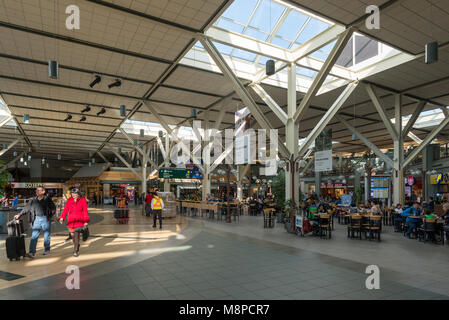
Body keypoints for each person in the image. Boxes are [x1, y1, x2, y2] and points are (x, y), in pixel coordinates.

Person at [14, 186, 56, 257]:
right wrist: (19, 214)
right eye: (36, 190)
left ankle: (47, 249)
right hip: (36, 219)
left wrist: (50, 215)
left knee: (46, 235)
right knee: (34, 235)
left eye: (39, 190)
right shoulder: (33, 200)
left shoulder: (47, 199)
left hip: (45, 218)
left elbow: (53, 208)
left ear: (43, 192)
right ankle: (32, 252)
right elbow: (26, 208)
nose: (37, 191)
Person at [59, 188, 90, 257]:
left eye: (75, 193)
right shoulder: (69, 200)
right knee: (72, 235)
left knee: (76, 235)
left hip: (79, 221)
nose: (73, 195)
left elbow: (85, 211)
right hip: (71, 221)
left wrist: (86, 221)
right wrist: (62, 217)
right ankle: (77, 244)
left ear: (78, 194)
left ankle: (75, 251)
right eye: (72, 193)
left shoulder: (83, 200)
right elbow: (66, 209)